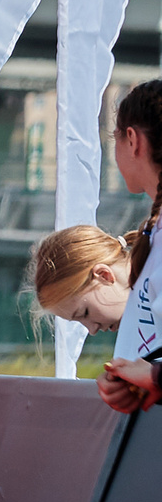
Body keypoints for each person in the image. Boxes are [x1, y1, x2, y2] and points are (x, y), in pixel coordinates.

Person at [85, 80, 162, 411]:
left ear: (132, 140)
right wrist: (138, 381)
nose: (90, 329)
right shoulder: (155, 232)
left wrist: (156, 377)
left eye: (82, 313)